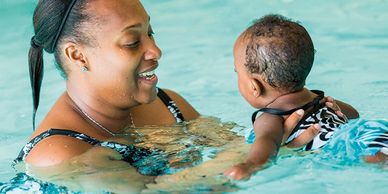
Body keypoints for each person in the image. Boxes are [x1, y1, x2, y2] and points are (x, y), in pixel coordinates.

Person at [17, 0, 339, 173]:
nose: (155, 51)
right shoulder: (58, 155)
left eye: (151, 32)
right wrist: (266, 153)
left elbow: (233, 146)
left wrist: (297, 122)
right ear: (77, 55)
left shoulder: (169, 104)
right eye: (132, 41)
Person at [224, 14, 387, 180]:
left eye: (237, 73)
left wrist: (249, 166)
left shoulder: (271, 118)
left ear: (254, 87)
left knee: (377, 160)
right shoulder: (318, 100)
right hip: (369, 132)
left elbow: (268, 144)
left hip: (346, 147)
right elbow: (353, 115)